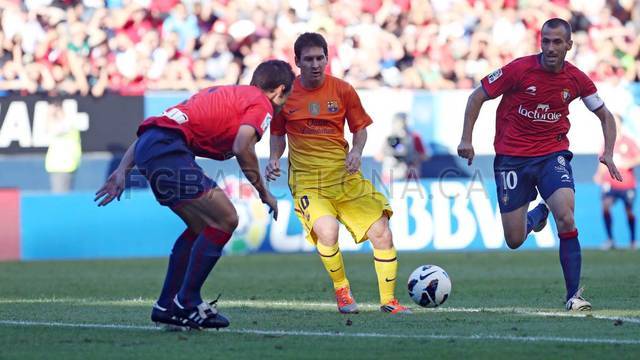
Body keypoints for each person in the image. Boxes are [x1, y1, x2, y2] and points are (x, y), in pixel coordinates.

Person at [94, 60, 295, 329]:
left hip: (151, 148)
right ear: (280, 90)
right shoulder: (262, 104)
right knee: (227, 218)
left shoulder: (224, 93)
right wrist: (263, 192)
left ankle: (166, 306)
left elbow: (158, 126)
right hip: (167, 150)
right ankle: (187, 301)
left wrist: (122, 170)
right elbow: (241, 145)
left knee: (201, 227)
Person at [457, 18, 622, 311]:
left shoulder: (577, 79)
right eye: (545, 41)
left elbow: (605, 115)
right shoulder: (519, 70)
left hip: (551, 155)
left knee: (567, 218)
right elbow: (476, 96)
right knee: (515, 238)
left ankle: (573, 295)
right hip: (512, 158)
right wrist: (467, 139)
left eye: (557, 42)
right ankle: (537, 214)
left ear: (569, 45)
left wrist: (608, 152)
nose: (550, 47)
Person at [265, 32, 410, 314]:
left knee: (382, 231)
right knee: (328, 230)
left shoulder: (343, 90)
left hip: (344, 177)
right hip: (309, 181)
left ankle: (389, 301)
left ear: (327, 59)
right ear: (297, 62)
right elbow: (278, 134)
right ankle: (342, 290)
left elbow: (360, 128)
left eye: (320, 58)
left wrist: (356, 151)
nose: (316, 64)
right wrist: (273, 158)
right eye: (309, 59)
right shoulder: (286, 95)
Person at [593, 114, 640, 250]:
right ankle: (610, 239)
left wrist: (626, 163)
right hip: (610, 183)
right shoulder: (607, 141)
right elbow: (602, 161)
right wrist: (599, 174)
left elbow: (638, 157)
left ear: (621, 124)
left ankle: (632, 241)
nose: (615, 124)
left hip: (626, 184)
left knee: (629, 212)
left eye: (617, 122)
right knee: (605, 207)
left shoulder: (628, 142)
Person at [379, 112, 429, 185]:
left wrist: (412, 158)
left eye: (404, 122)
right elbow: (379, 156)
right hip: (390, 177)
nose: (402, 125)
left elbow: (424, 156)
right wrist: (391, 155)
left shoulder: (414, 137)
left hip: (410, 177)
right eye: (399, 122)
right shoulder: (389, 138)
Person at [45, 99, 82, 193]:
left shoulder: (68, 123)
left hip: (63, 166)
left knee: (60, 197)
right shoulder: (65, 123)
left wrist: (50, 116)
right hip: (60, 166)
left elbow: (54, 129)